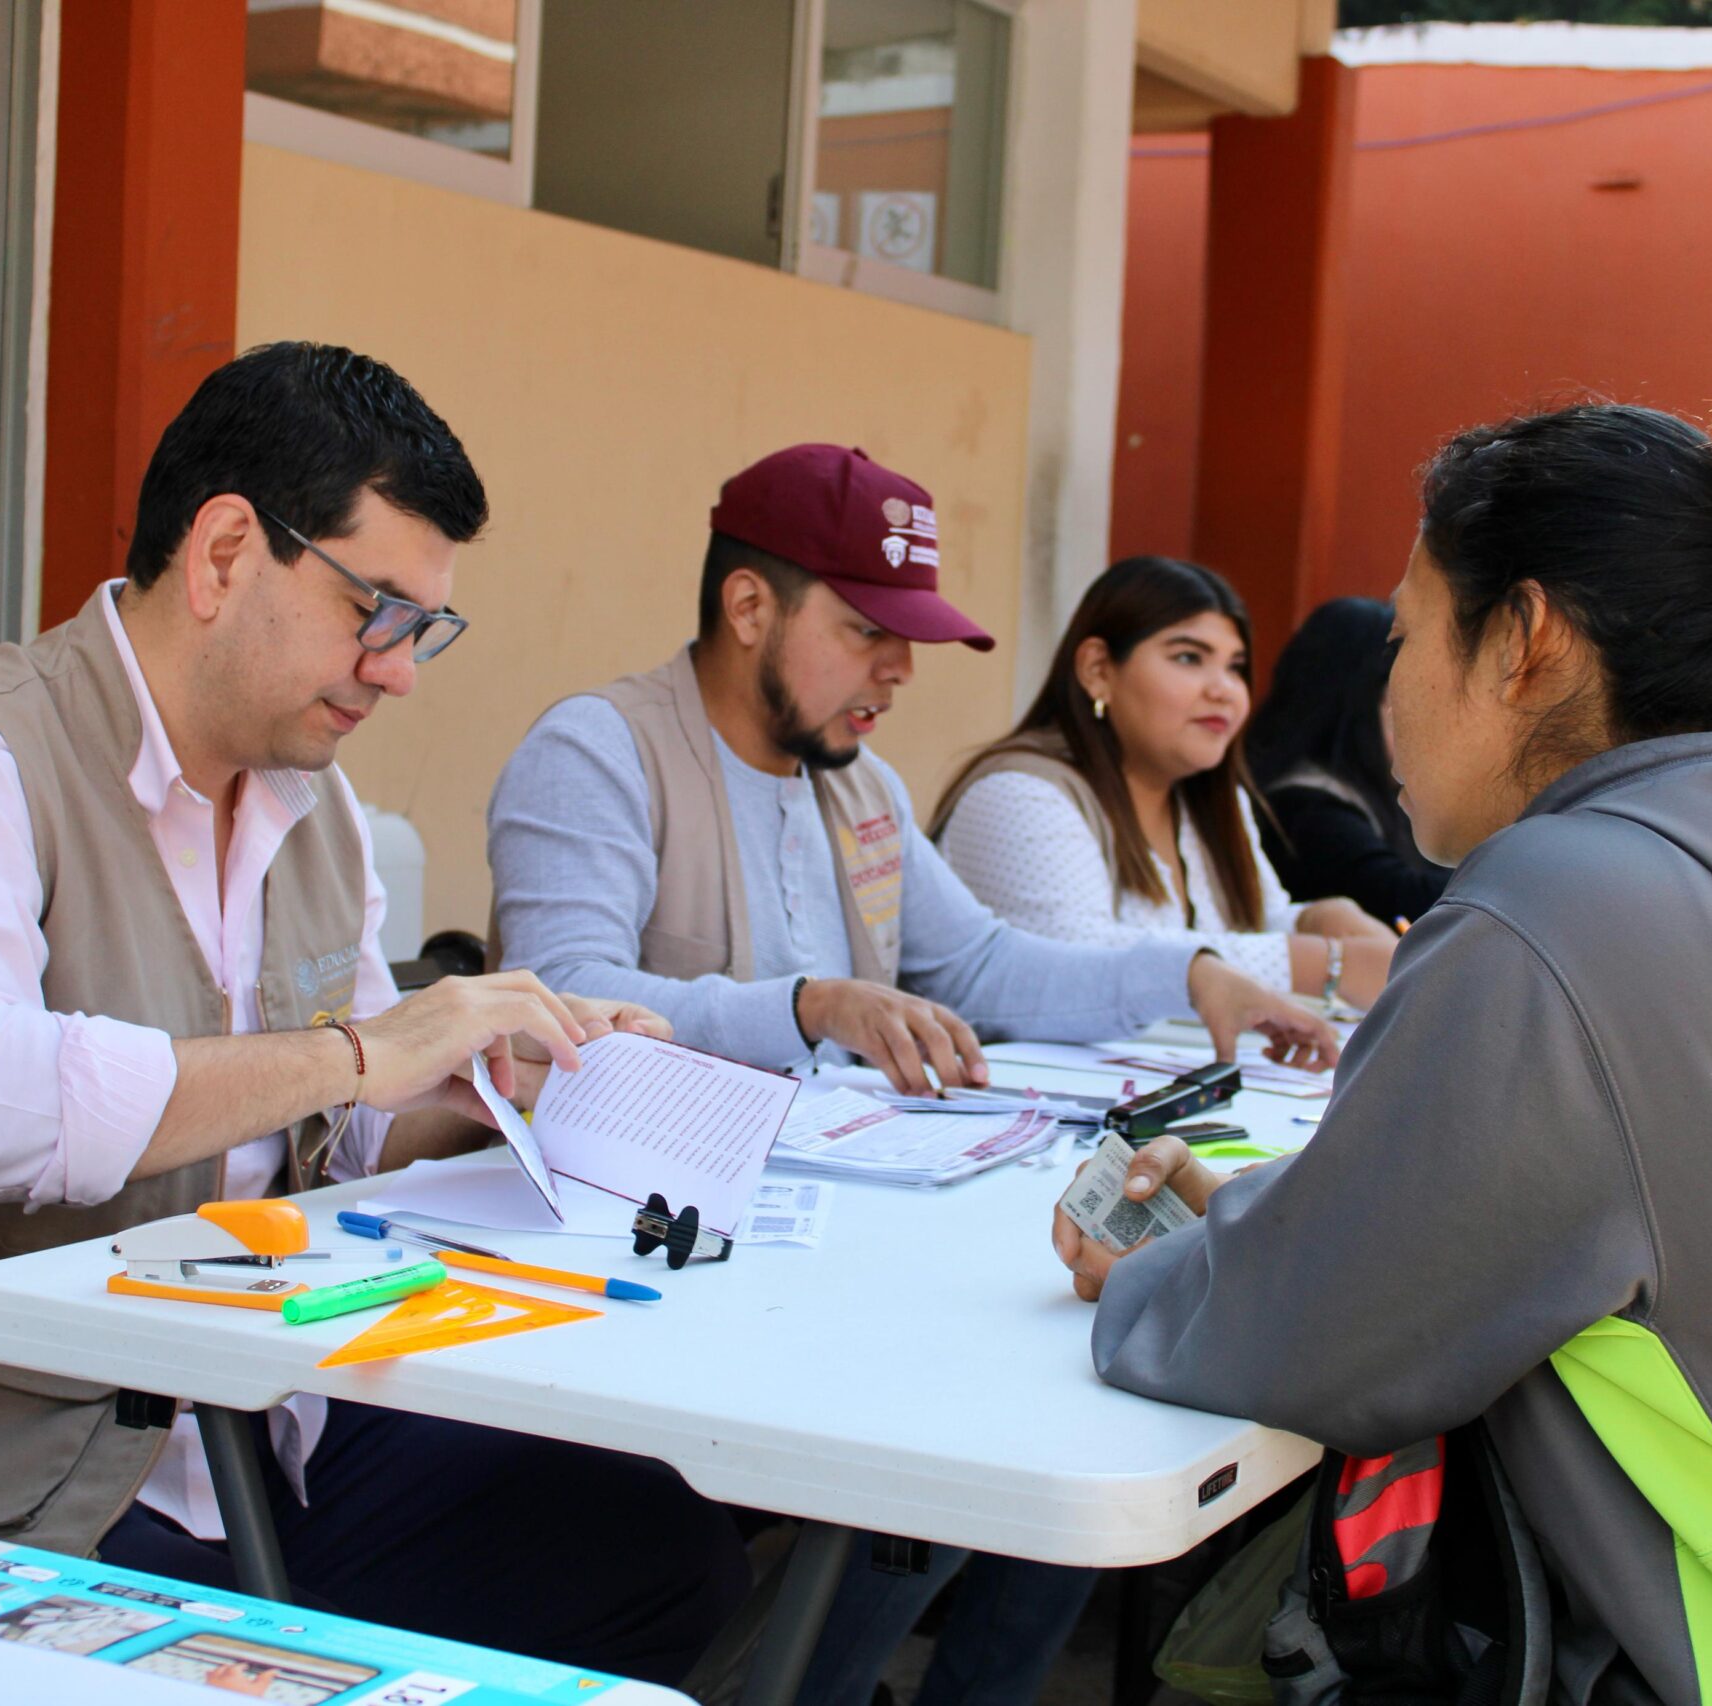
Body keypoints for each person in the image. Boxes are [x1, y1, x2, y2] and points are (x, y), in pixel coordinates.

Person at [1052, 398, 1712, 1703]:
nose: (1386, 683)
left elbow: (1321, 1337)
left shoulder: (1553, 907)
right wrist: (1265, 1223)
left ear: (1526, 640)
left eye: (1406, 631)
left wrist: (1153, 1278)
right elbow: (1479, 1226)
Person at [0, 343, 747, 1684]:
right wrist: (368, 1050)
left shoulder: (306, 806)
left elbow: (348, 1121)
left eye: (425, 628)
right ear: (220, 555)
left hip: (259, 1434)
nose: (400, 671)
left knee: (662, 1555)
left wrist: (498, 1086)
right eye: (380, 608)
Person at [486, 444, 1333, 1706]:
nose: (898, 667)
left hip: (833, 1240)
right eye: (867, 627)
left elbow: (982, 962)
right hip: (639, 1266)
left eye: (911, 636)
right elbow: (551, 1009)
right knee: (921, 1483)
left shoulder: (858, 784)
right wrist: (808, 1001)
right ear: (748, 606)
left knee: (1070, 1418)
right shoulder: (599, 749)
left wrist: (1186, 972)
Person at [933, 556, 1394, 1011]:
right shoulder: (1020, 793)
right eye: (1189, 658)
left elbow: (1255, 926)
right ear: (1097, 669)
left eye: (1235, 666)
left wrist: (1315, 917)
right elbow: (1077, 963)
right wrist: (1324, 963)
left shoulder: (1211, 796)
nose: (1223, 689)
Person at [1246, 596, 1449, 921]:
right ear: (1357, 705)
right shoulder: (1305, 807)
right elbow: (1405, 899)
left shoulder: (1377, 794)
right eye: (1408, 699)